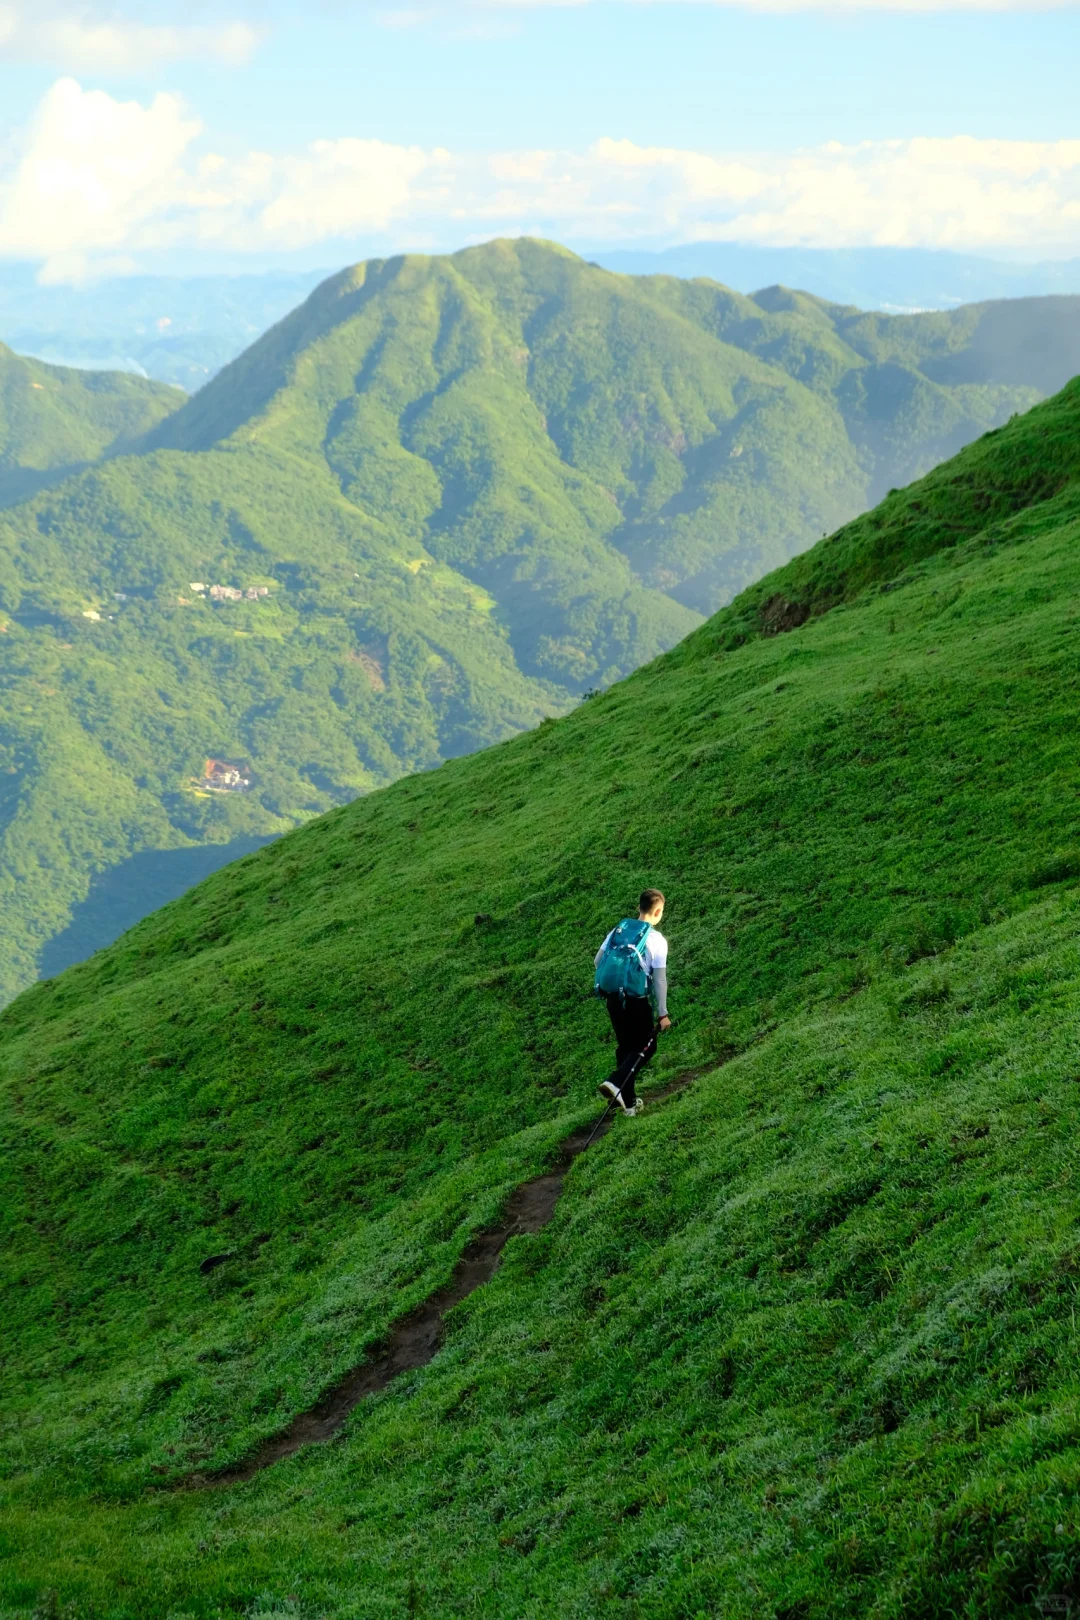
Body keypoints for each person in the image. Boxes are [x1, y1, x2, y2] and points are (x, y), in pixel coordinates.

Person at [593, 887, 671, 1117]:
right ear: (658, 912)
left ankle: (628, 1105)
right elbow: (659, 979)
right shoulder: (656, 940)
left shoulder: (618, 931)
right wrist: (662, 1013)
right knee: (647, 1046)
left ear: (639, 908)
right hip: (636, 1001)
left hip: (613, 999)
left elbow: (598, 962)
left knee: (626, 1047)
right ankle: (615, 1081)